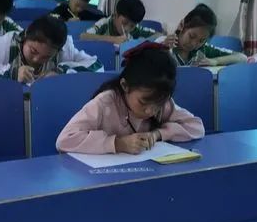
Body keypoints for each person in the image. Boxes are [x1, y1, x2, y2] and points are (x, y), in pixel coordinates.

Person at [56, 42, 204, 154]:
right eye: (143, 102)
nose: (150, 111)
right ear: (125, 86)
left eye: (158, 104)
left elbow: (197, 127)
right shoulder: (105, 102)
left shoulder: (161, 102)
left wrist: (158, 134)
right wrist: (117, 144)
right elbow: (64, 140)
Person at [0, 15, 103, 82]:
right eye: (33, 51)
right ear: (26, 36)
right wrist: (11, 73)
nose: (36, 59)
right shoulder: (6, 45)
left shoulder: (64, 49)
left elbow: (97, 66)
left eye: (46, 57)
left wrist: (61, 72)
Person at [170, 4, 247, 66]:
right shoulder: (167, 46)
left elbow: (242, 57)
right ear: (182, 25)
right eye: (192, 36)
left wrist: (216, 61)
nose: (194, 44)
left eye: (201, 40)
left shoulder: (203, 49)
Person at [79, 0, 166, 45]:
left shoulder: (135, 29)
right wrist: (113, 39)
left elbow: (158, 35)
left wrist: (164, 39)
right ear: (116, 15)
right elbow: (83, 36)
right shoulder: (105, 23)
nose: (127, 28)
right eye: (124, 23)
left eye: (132, 26)